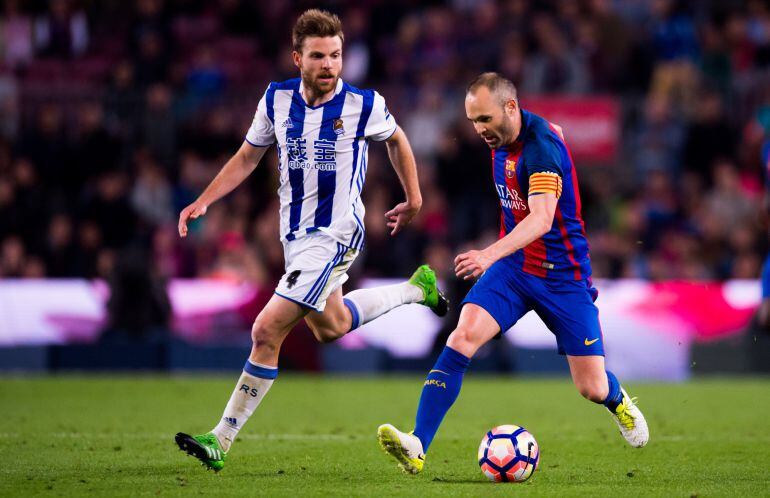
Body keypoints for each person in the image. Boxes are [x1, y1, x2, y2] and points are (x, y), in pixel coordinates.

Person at [174, 9, 447, 472]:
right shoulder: (276, 99)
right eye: (318, 56)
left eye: (336, 55)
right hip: (295, 236)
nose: (328, 65)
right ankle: (414, 289)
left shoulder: (363, 104)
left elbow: (398, 140)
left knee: (265, 331)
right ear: (297, 57)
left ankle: (221, 438)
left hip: (337, 232)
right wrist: (205, 200)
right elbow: (247, 157)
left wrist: (414, 198)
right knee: (330, 326)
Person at [377, 72, 649, 475]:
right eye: (473, 121)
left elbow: (541, 219)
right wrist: (499, 258)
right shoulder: (505, 136)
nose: (478, 129)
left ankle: (617, 400)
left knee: (590, 387)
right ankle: (417, 444)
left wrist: (488, 254)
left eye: (484, 119)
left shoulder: (542, 149)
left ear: (510, 107)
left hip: (563, 277)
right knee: (462, 336)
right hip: (516, 269)